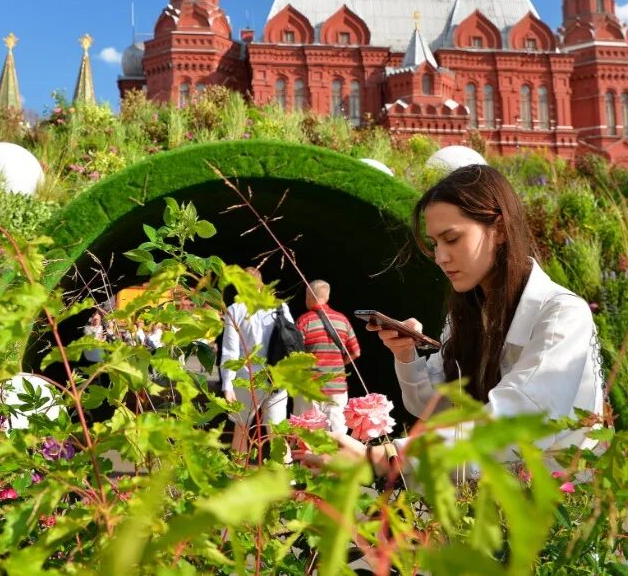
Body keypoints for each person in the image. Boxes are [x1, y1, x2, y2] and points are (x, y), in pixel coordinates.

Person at [303, 165, 604, 475]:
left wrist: (386, 458)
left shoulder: (561, 315)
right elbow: (436, 406)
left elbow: (517, 420)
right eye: (435, 244)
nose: (441, 257)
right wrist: (406, 354)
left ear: (499, 229)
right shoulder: (469, 314)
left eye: (452, 239)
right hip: (485, 503)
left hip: (559, 507)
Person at [220, 267, 293, 457]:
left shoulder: (235, 309)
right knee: (277, 430)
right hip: (277, 376)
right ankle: (285, 477)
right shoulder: (281, 307)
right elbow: (292, 340)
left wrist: (227, 384)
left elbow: (230, 350)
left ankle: (239, 475)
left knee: (241, 428)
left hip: (248, 377)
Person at [293, 279, 361, 434]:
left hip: (309, 387)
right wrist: (339, 365)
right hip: (337, 387)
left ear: (309, 296)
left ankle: (309, 458)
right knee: (337, 433)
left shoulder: (304, 321)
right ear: (327, 297)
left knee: (308, 433)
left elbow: (295, 356)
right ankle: (337, 459)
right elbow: (356, 352)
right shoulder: (342, 320)